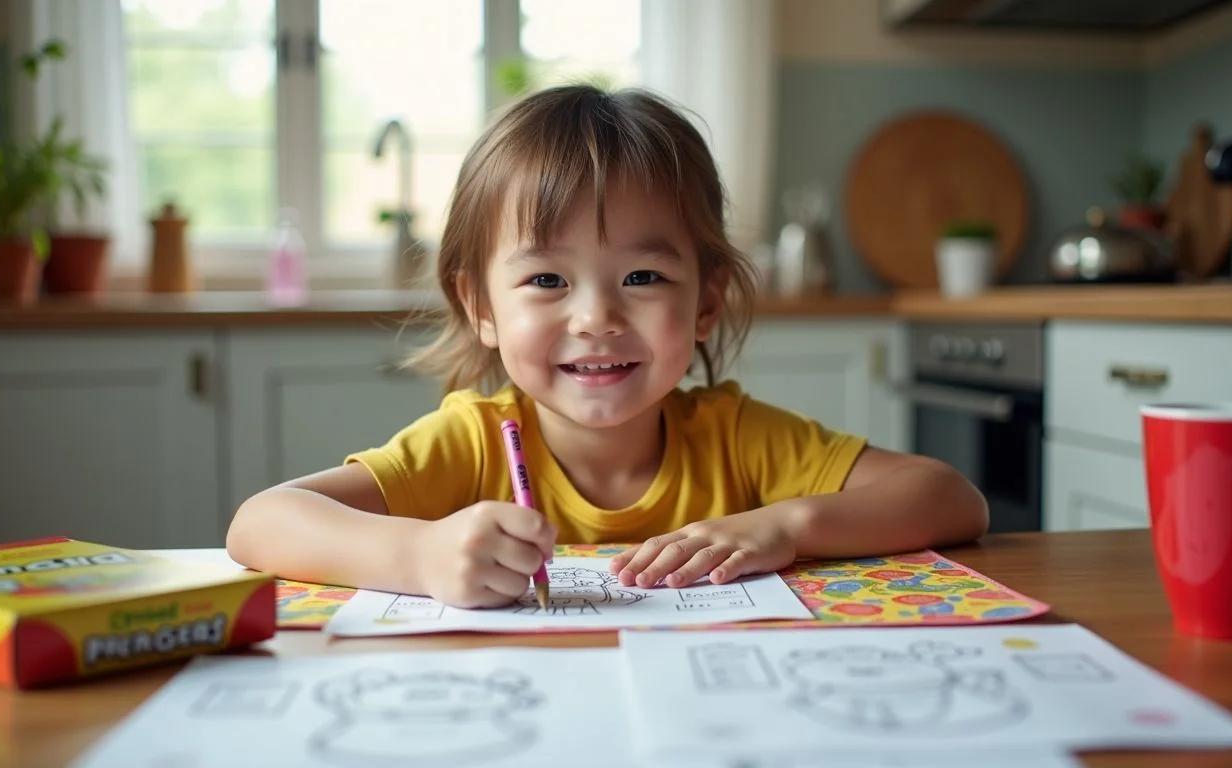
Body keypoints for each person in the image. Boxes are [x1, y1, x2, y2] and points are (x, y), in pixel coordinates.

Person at [226, 84, 988, 609]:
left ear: (708, 301)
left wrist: (785, 527)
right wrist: (420, 556)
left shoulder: (738, 439)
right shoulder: (474, 442)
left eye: (643, 275)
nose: (596, 317)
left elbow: (952, 498)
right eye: (548, 279)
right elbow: (262, 521)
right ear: (479, 306)